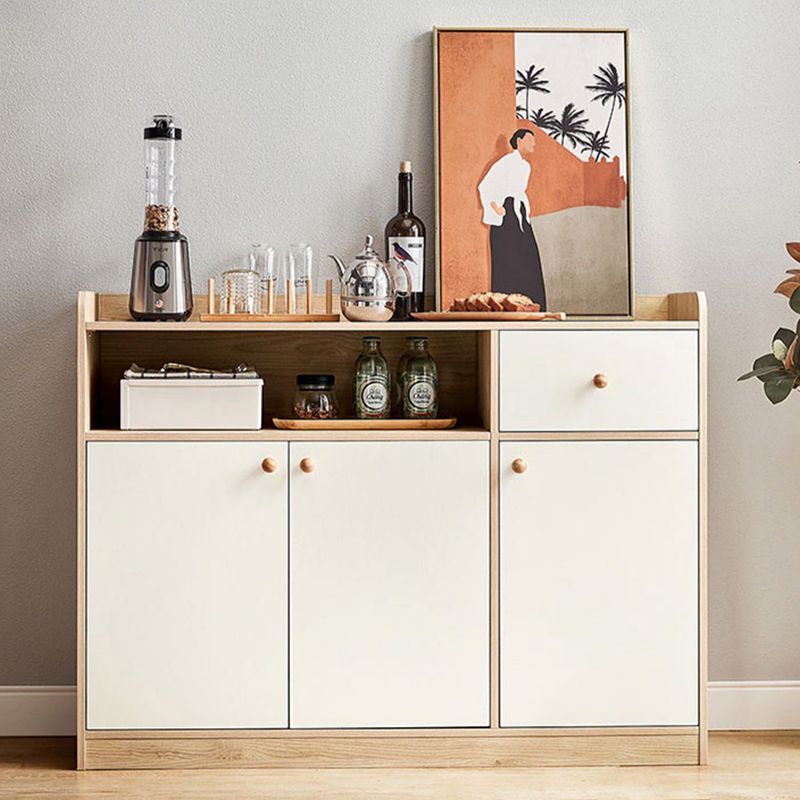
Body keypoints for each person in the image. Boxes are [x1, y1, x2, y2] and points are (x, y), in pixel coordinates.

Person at [477, 128, 546, 308]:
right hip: (506, 214)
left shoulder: (525, 166)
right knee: (507, 259)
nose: (533, 144)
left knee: (528, 256)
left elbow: (519, 192)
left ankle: (531, 303)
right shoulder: (505, 162)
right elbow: (486, 186)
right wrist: (495, 208)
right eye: (530, 140)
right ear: (519, 141)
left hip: (521, 214)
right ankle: (506, 304)